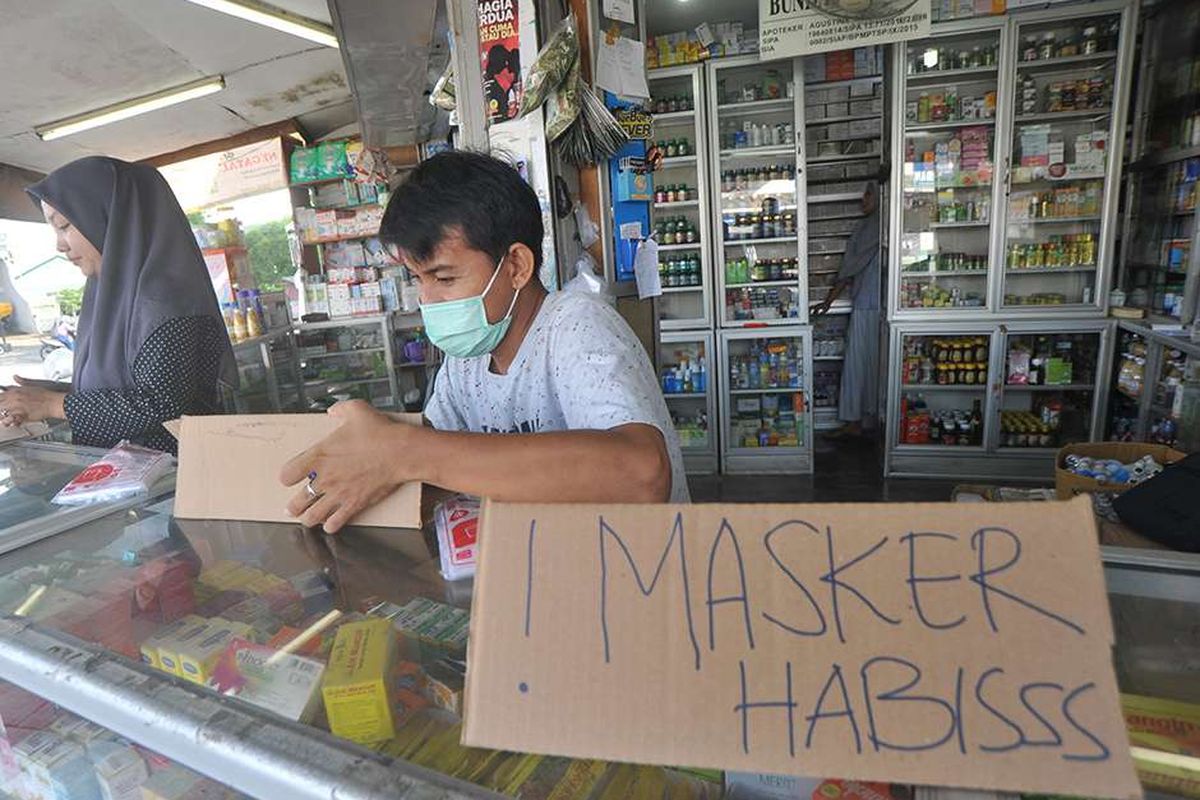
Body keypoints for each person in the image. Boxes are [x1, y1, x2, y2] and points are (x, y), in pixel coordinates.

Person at [280, 151, 687, 533]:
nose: (427, 300)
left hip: (639, 580)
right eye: (417, 280)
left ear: (516, 266)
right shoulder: (467, 361)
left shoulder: (575, 325)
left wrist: (405, 451)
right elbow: (437, 466)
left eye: (444, 278)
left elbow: (643, 474)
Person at [0, 157, 233, 453]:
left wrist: (52, 404)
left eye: (64, 225)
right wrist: (50, 394)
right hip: (135, 480)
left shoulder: (164, 300)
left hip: (177, 480)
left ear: (111, 217)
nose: (59, 245)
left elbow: (162, 405)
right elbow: (131, 386)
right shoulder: (109, 293)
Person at [812, 182, 881, 439]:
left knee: (858, 365)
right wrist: (829, 301)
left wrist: (829, 300)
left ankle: (856, 423)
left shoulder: (873, 226)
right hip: (874, 305)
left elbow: (847, 269)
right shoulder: (875, 226)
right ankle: (867, 421)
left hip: (869, 305)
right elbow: (851, 269)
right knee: (871, 366)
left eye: (868, 194)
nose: (862, 200)